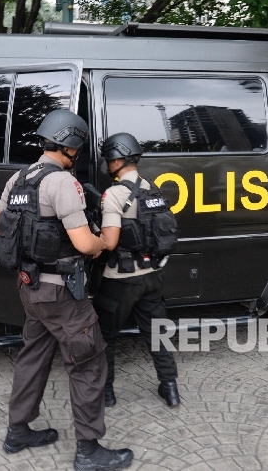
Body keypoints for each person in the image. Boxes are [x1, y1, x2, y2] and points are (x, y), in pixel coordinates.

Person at [0, 109, 133, 471]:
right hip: (62, 295)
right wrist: (102, 243)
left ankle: (17, 431)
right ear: (71, 146)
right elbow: (84, 244)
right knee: (88, 361)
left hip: (30, 289)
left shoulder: (19, 179)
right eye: (79, 149)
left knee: (33, 356)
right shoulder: (62, 184)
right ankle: (89, 451)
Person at [93, 132, 180, 408]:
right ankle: (170, 388)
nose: (107, 164)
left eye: (109, 159)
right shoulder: (152, 189)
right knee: (157, 334)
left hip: (121, 279)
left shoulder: (115, 194)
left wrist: (93, 230)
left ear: (117, 160)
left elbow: (110, 242)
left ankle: (106, 393)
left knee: (104, 337)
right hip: (152, 276)